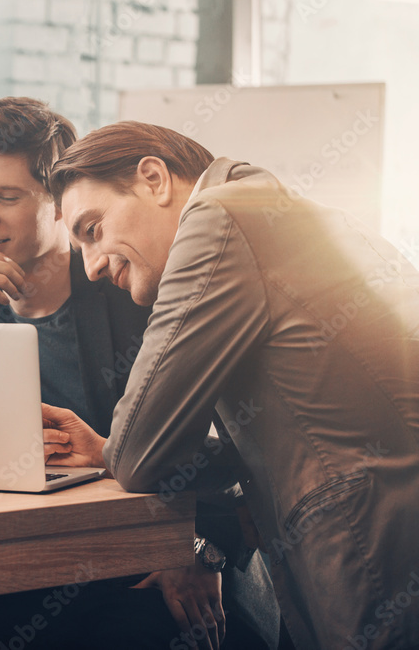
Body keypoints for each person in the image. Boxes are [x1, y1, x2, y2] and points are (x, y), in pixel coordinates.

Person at [0, 98, 280, 650]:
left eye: (7, 197)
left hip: (135, 556)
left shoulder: (131, 280)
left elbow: (222, 443)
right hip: (0, 557)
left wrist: (191, 548)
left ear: (57, 202)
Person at [44, 120, 419, 650]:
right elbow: (297, 432)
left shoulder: (218, 218)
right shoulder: (281, 211)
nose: (92, 266)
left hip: (367, 544)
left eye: (92, 229)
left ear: (154, 178)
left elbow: (140, 454)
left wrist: (116, 451)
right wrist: (106, 449)